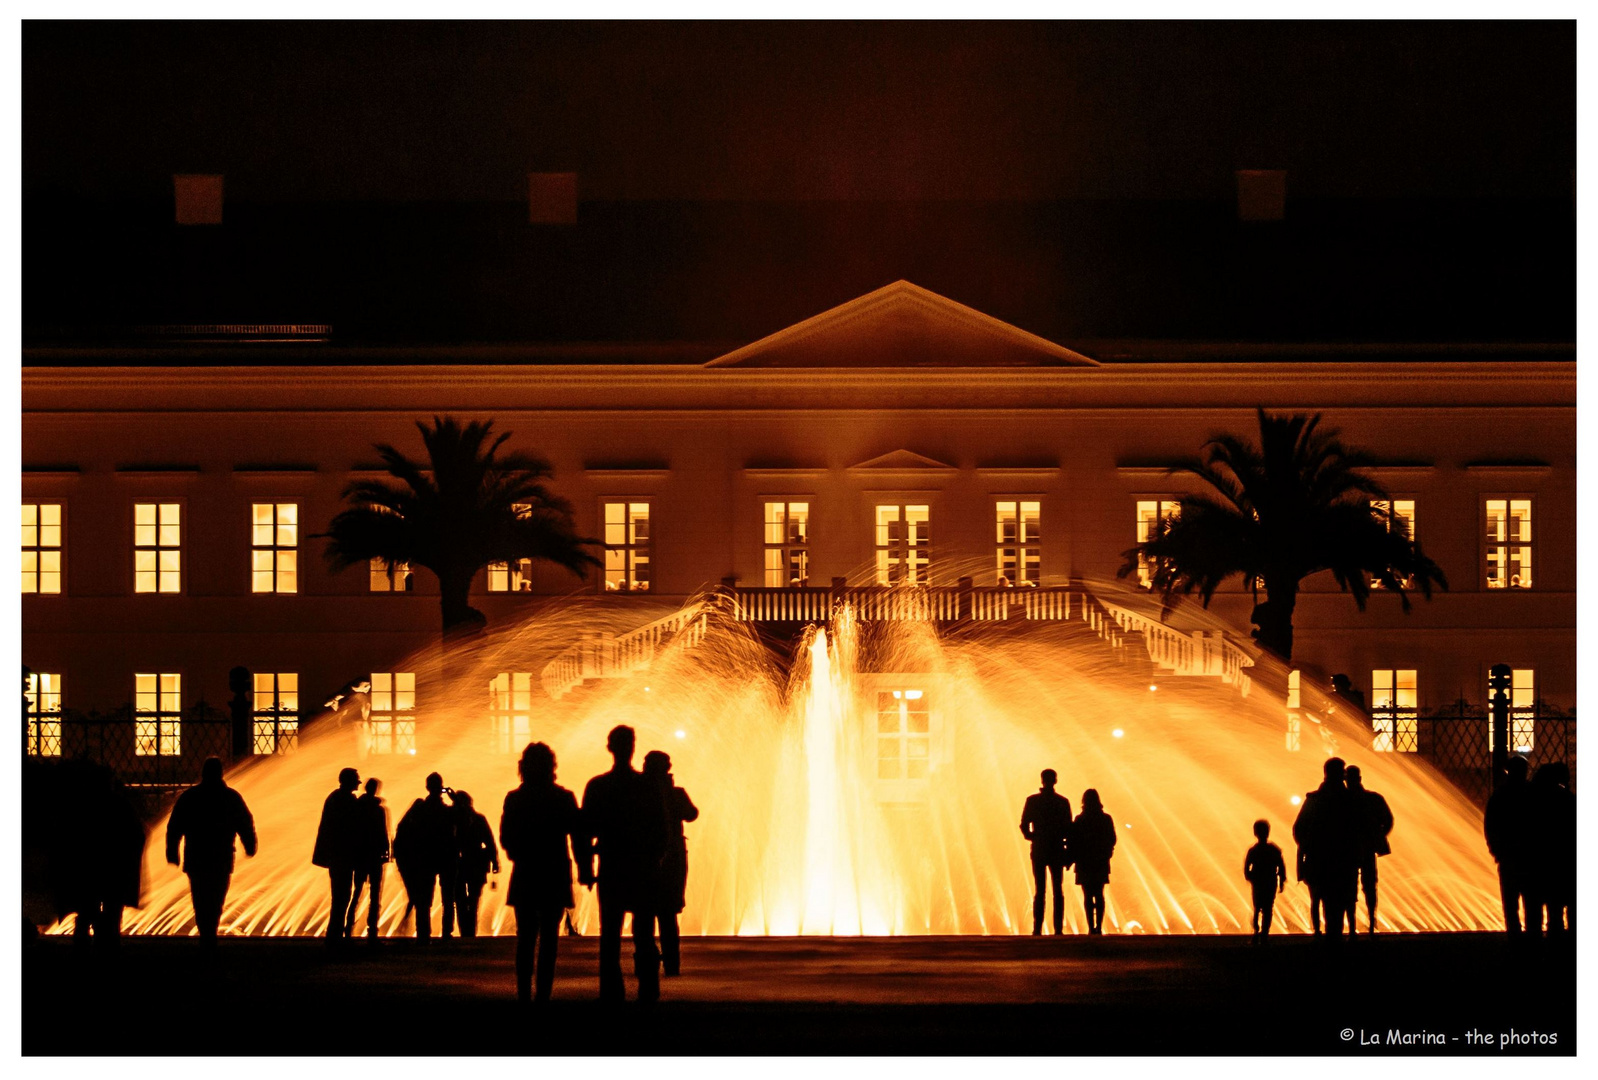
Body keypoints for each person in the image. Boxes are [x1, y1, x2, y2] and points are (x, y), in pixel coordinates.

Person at [578, 725, 669, 1003]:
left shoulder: (598, 786)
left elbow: (584, 832)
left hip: (612, 868)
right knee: (644, 931)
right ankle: (649, 989)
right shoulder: (647, 786)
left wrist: (585, 869)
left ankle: (612, 993)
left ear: (610, 748)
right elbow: (661, 830)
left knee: (610, 935)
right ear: (632, 748)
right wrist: (655, 861)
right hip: (642, 869)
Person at [500, 741, 585, 1002]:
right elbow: (578, 835)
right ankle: (543, 995)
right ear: (552, 766)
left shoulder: (515, 798)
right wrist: (585, 868)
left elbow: (506, 837)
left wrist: (518, 853)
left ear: (523, 767)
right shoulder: (563, 797)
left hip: (526, 872)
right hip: (554, 872)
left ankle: (523, 993)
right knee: (550, 938)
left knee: (525, 936)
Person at [165, 757, 257, 952]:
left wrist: (172, 852)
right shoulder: (231, 797)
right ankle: (210, 935)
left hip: (196, 858)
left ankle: (206, 935)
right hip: (221, 859)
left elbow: (175, 827)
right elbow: (245, 823)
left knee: (200, 898)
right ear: (221, 773)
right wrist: (249, 845)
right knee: (216, 898)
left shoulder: (191, 797)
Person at [643, 749, 699, 975]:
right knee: (667, 915)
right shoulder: (675, 793)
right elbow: (692, 813)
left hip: (646, 859)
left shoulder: (641, 794)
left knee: (646, 913)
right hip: (673, 857)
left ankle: (647, 963)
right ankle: (671, 964)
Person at [1293, 757, 1360, 939]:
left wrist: (1308, 848)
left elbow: (1298, 829)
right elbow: (1357, 829)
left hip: (1318, 860)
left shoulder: (1314, 800)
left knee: (1320, 900)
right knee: (1339, 904)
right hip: (1343, 861)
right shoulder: (1348, 800)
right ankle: (1336, 941)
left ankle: (1323, 938)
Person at [393, 772, 458, 940]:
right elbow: (464, 820)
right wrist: (455, 799)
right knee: (448, 898)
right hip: (446, 858)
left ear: (427, 787)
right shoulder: (448, 811)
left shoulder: (420, 808)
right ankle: (446, 933)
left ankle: (423, 933)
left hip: (425, 858)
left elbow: (402, 829)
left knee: (424, 900)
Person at [1483, 756, 1535, 936]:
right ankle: (1533, 943)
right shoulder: (1533, 794)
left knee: (1511, 906)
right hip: (1531, 858)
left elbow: (1490, 826)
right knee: (1532, 905)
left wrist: (1496, 850)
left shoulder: (1499, 796)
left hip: (1509, 859)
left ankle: (1515, 943)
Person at [311, 767, 362, 946]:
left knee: (340, 896)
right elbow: (352, 828)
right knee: (341, 896)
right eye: (356, 779)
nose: (359, 782)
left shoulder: (334, 798)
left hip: (336, 856)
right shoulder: (345, 800)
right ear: (348, 781)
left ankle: (335, 935)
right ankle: (335, 937)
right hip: (342, 856)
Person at [1019, 769, 1073, 935]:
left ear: (1042, 780)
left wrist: (1033, 837)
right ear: (1055, 780)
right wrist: (1068, 850)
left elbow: (1024, 824)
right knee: (1057, 889)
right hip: (1056, 848)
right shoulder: (1062, 802)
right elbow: (1069, 829)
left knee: (1040, 890)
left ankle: (1037, 928)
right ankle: (1057, 929)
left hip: (1040, 848)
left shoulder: (1033, 801)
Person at [1344, 765, 1393, 934]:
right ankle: (1371, 923)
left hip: (1349, 850)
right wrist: (1378, 836)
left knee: (1351, 887)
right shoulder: (1373, 799)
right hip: (1366, 848)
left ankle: (1354, 927)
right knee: (1368, 886)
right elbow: (1388, 820)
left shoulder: (1343, 802)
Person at [1528, 762, 1575, 938]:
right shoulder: (1567, 799)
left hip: (1541, 862)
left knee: (1543, 909)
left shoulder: (1534, 801)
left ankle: (1535, 948)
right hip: (1563, 862)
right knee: (1564, 907)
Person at [345, 777, 390, 939]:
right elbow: (384, 832)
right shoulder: (379, 810)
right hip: (375, 856)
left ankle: (348, 928)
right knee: (374, 894)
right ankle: (372, 931)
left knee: (356, 892)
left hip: (360, 856)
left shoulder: (357, 807)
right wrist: (386, 852)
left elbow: (352, 831)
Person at [451, 790, 500, 938]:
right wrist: (494, 861)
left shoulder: (454, 820)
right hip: (477, 863)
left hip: (458, 863)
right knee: (473, 900)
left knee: (460, 900)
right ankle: (470, 931)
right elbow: (489, 841)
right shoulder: (479, 819)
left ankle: (465, 931)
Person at [1070, 788, 1117, 935]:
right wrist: (1106, 851)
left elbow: (1073, 840)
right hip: (1100, 860)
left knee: (1088, 895)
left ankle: (1091, 926)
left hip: (1084, 861)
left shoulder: (1080, 819)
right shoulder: (1105, 818)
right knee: (1099, 893)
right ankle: (1098, 926)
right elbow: (1112, 838)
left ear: (1083, 801)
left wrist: (1072, 856)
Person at [1243, 819, 1287, 939]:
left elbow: (1247, 866)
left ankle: (1259, 930)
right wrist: (1282, 880)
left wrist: (1249, 876)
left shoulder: (1254, 850)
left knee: (1259, 906)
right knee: (1266, 907)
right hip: (1268, 880)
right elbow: (1281, 866)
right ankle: (1263, 931)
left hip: (1260, 881)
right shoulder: (1273, 849)